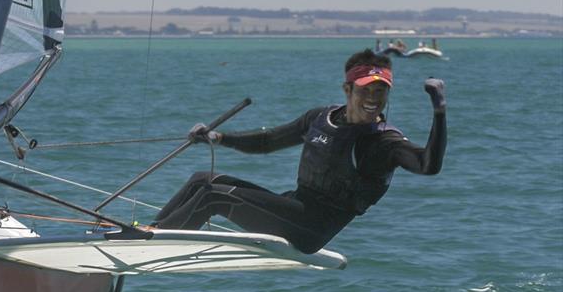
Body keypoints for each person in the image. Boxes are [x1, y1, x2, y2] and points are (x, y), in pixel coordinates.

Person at [152, 49, 447, 254]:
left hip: (310, 231)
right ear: (348, 90)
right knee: (204, 179)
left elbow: (427, 165)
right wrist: (217, 137)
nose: (373, 99)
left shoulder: (383, 143)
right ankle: (150, 231)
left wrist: (439, 112)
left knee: (212, 198)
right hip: (293, 208)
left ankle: (151, 243)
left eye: (380, 91)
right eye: (365, 90)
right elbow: (268, 142)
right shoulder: (320, 117)